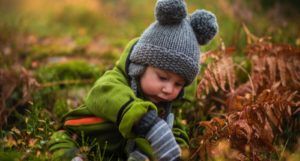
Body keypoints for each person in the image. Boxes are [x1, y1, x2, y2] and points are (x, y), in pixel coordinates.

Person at [48, 0, 218, 160]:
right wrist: (145, 121)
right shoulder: (115, 81)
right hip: (79, 136)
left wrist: (177, 148)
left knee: (152, 147)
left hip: (120, 152)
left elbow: (175, 131)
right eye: (162, 77)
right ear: (140, 67)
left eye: (178, 84)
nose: (168, 89)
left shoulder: (165, 108)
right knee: (62, 143)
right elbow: (101, 94)